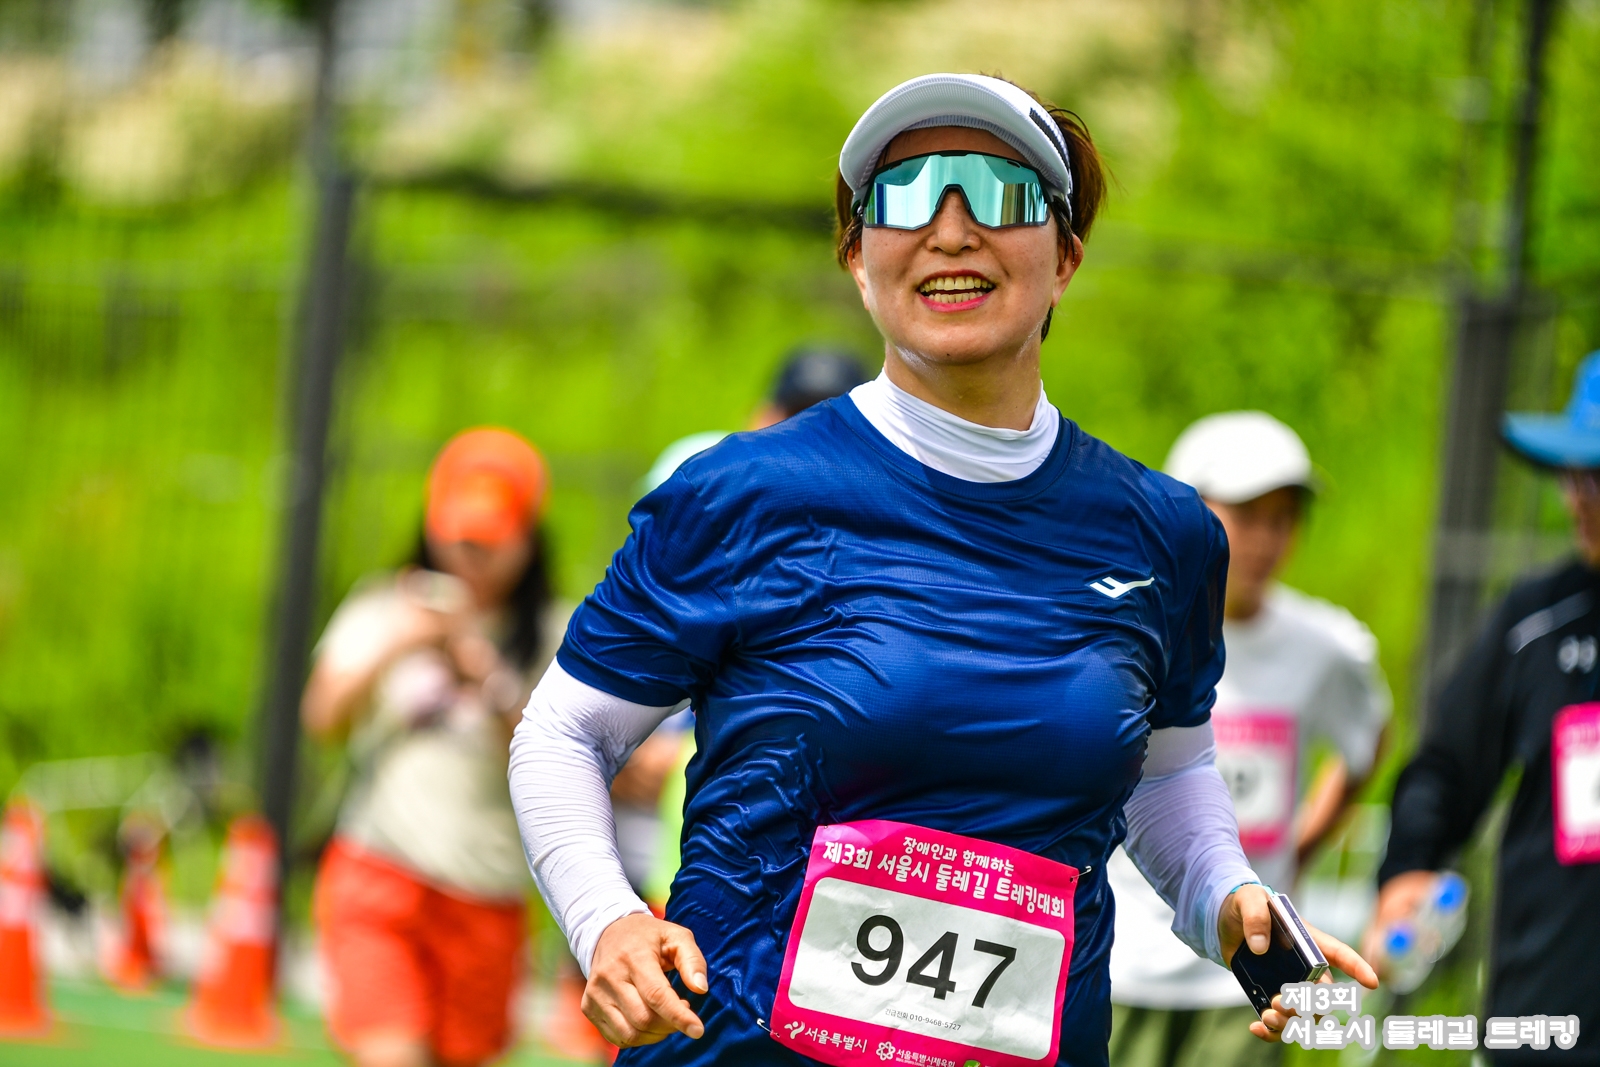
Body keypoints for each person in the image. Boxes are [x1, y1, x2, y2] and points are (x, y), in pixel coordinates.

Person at [510, 73, 1373, 1067]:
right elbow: (565, 730)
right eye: (906, 195)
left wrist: (1225, 893)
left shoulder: (1162, 533)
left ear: (1066, 256)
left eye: (1001, 193)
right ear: (857, 257)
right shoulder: (742, 493)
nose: (952, 230)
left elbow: (1167, 769)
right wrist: (606, 917)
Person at [1108, 412, 1391, 1067]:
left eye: (1284, 519)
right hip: (1123, 960)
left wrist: (1300, 844)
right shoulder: (1123, 632)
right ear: (1185, 514)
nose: (1266, 539)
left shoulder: (1328, 647)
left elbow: (1369, 739)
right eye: (1246, 515)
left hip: (1248, 971)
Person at [303, 427, 566, 1067]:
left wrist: (484, 674)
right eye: (461, 535)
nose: (471, 554)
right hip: (380, 869)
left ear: (528, 539)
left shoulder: (553, 633)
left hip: (485, 890)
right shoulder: (384, 604)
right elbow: (322, 717)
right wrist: (403, 641)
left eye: (489, 540)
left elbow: (558, 762)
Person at [1373, 351, 1600, 1065]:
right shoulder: (1537, 622)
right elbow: (1447, 766)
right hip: (1549, 1021)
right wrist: (1409, 866)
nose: (1578, 500)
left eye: (1597, 478)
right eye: (1573, 476)